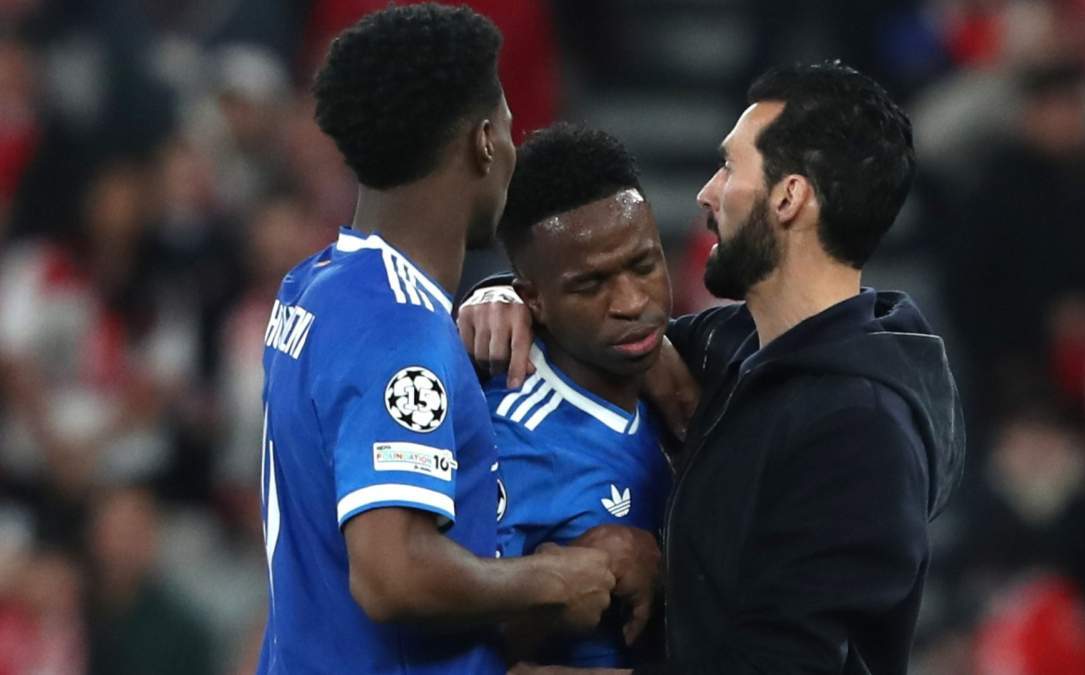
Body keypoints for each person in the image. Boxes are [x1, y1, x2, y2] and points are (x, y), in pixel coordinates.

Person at [460, 61, 965, 673]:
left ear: (788, 197)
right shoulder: (734, 349)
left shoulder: (859, 432)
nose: (706, 192)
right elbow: (596, 322)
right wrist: (499, 296)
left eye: (730, 166)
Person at [256, 5, 616, 675]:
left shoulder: (313, 285)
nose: (515, 146)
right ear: (483, 141)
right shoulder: (398, 327)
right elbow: (393, 573)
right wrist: (551, 579)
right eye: (509, 126)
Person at [474, 124, 672, 668]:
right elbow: (462, 655)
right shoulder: (511, 441)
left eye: (644, 265)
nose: (631, 302)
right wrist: (576, 578)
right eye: (591, 285)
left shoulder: (695, 379)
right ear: (533, 300)